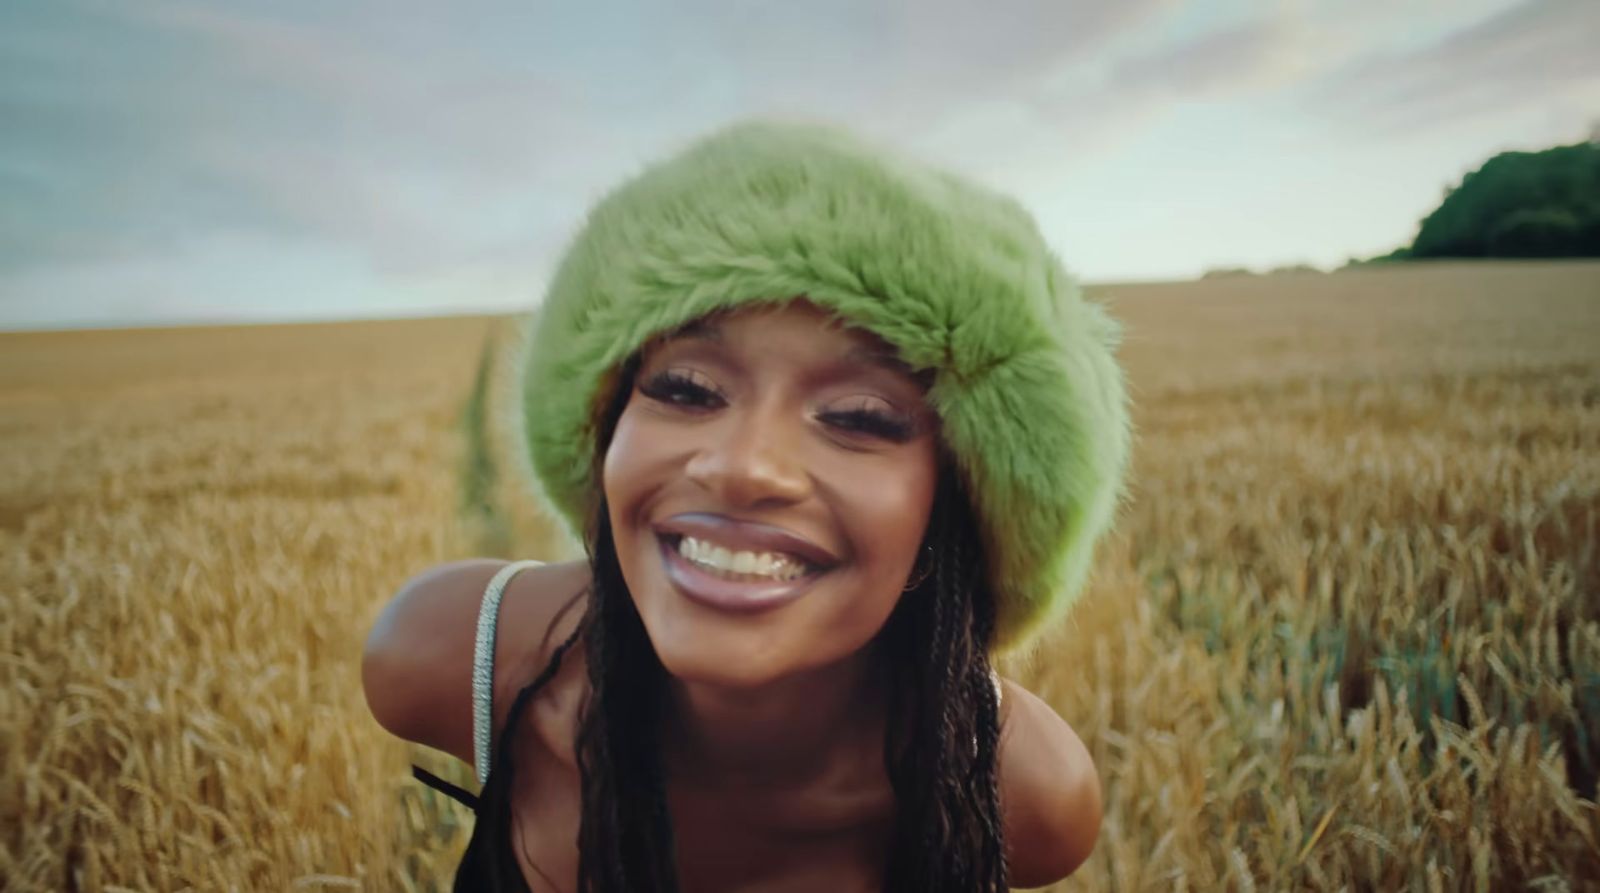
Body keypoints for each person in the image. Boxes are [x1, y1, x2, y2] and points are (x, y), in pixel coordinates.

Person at [362, 120, 1132, 892]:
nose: (742, 467)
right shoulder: (454, 655)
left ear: (954, 515)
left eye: (859, 416)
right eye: (686, 387)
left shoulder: (1023, 790)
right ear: (603, 436)